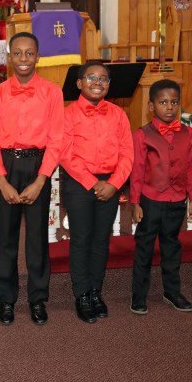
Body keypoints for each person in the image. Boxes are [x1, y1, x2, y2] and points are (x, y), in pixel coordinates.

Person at [0, 32, 64, 326]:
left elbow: (57, 139)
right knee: (5, 237)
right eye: (17, 53)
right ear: (9, 57)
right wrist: (1, 180)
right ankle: (6, 299)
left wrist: (41, 179)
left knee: (37, 238)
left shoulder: (52, 92)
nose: (24, 59)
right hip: (6, 165)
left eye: (29, 53)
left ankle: (38, 298)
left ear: (38, 56)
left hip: (38, 165)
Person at [59, 61, 133, 324]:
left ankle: (95, 291)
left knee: (102, 240)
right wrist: (92, 183)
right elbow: (65, 154)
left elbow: (127, 152)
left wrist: (114, 183)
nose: (97, 82)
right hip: (80, 184)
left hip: (111, 183)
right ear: (79, 83)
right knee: (81, 239)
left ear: (109, 85)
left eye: (103, 79)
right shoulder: (67, 115)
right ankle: (81, 294)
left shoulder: (118, 114)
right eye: (91, 77)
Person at [130, 79, 192, 315]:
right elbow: (137, 170)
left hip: (177, 201)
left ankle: (172, 291)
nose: (169, 107)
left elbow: (191, 167)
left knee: (172, 248)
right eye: (163, 102)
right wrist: (135, 202)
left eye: (174, 102)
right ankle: (138, 296)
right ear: (152, 106)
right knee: (144, 249)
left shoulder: (187, 134)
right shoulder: (142, 135)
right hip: (150, 201)